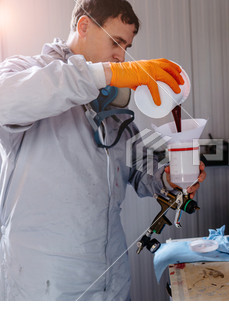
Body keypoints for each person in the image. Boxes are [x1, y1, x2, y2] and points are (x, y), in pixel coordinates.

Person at [0, 0, 205, 300]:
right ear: (84, 26)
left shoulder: (111, 104)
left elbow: (137, 163)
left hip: (110, 275)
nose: (122, 56)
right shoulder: (28, 71)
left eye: (127, 46)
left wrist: (166, 178)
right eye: (116, 42)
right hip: (45, 282)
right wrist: (104, 75)